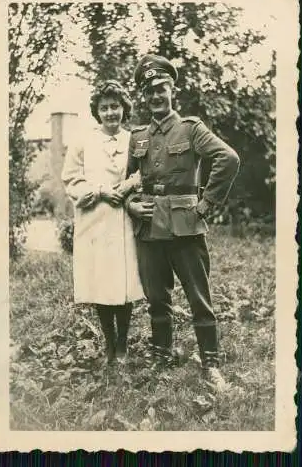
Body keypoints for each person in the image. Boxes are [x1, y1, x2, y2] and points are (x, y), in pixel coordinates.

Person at [125, 55, 240, 391]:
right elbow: (128, 180)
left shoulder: (191, 128)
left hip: (185, 226)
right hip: (148, 227)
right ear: (144, 97)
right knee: (156, 297)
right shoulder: (138, 136)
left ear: (172, 88)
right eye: (150, 92)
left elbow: (227, 158)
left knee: (198, 297)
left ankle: (211, 365)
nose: (156, 96)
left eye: (161, 88)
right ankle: (162, 357)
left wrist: (206, 204)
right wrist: (131, 205)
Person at [62, 80, 144, 364]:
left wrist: (129, 186)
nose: (110, 113)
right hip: (95, 220)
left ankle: (123, 344)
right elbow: (70, 178)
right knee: (101, 282)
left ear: (124, 109)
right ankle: (109, 343)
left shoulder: (134, 139)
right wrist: (98, 191)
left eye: (115, 107)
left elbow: (145, 172)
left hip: (124, 220)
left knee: (123, 283)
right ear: (97, 111)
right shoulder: (83, 140)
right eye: (104, 108)